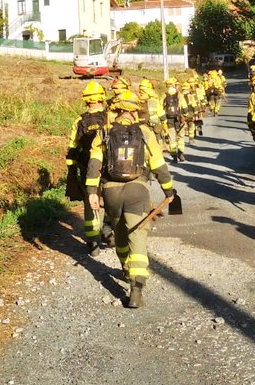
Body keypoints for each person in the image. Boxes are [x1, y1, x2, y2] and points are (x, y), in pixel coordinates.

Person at [85, 90, 177, 308]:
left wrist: (91, 192)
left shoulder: (104, 132)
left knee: (120, 235)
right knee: (138, 236)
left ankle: (126, 270)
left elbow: (94, 164)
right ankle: (136, 290)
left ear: (116, 110)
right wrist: (169, 191)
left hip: (111, 192)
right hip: (138, 191)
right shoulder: (144, 132)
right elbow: (158, 165)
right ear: (136, 110)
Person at [65, 80, 115, 254]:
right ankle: (108, 231)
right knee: (110, 200)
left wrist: (71, 172)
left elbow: (72, 148)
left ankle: (93, 242)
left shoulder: (79, 121)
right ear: (102, 97)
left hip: (87, 169)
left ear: (85, 99)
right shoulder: (110, 118)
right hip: (109, 169)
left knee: (90, 203)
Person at [163, 77, 186, 162]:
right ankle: (180, 153)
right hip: (179, 119)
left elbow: (161, 108)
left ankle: (174, 156)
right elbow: (185, 107)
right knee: (181, 137)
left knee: (172, 138)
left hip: (169, 120)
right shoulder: (179, 95)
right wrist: (185, 116)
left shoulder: (164, 96)